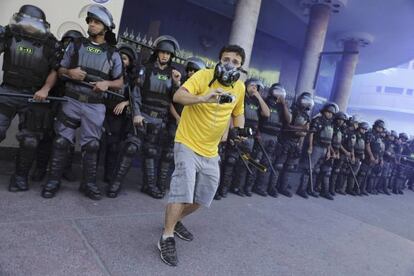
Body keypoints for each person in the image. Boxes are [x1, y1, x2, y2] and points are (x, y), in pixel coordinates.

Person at [158, 45, 246, 266]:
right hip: (187, 142)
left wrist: (239, 132)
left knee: (202, 197)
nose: (230, 64)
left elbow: (239, 113)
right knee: (182, 192)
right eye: (226, 59)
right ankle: (166, 236)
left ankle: (175, 220)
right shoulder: (203, 76)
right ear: (219, 60)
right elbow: (178, 96)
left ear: (241, 67)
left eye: (235, 62)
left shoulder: (240, 88)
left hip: (211, 150)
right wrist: (204, 98)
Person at [41, 4, 123, 199]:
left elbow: (120, 82)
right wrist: (69, 72)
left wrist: (106, 84)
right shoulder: (76, 45)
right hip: (72, 100)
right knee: (61, 142)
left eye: (96, 22)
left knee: (92, 146)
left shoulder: (113, 53)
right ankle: (53, 181)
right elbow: (60, 70)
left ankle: (88, 184)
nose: (92, 25)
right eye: (90, 22)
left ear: (105, 27)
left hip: (95, 104)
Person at [0, 5, 61, 192]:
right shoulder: (9, 34)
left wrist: (45, 88)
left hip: (33, 96)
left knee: (30, 140)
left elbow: (54, 70)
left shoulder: (50, 42)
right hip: (8, 92)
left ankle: (20, 178)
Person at [31, 29, 84, 183]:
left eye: (72, 43)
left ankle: (65, 169)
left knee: (68, 138)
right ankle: (40, 168)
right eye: (67, 41)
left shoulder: (80, 58)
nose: (69, 46)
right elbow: (50, 71)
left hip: (69, 100)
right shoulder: (55, 54)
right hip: (53, 99)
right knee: (47, 135)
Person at [103, 44, 143, 198]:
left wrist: (125, 103)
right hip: (103, 111)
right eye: (119, 57)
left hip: (119, 116)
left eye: (124, 58)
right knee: (101, 144)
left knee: (114, 146)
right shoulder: (108, 72)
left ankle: (109, 176)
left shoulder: (132, 79)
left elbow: (136, 97)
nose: (121, 60)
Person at [218, 78, 269, 198]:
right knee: (230, 161)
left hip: (250, 138)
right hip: (239, 133)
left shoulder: (257, 102)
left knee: (244, 163)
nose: (254, 88)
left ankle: (237, 187)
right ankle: (222, 189)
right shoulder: (241, 98)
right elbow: (232, 115)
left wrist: (259, 96)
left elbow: (266, 113)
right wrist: (233, 133)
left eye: (257, 87)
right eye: (252, 86)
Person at [253, 83, 291, 197]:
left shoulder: (281, 106)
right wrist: (257, 133)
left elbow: (288, 120)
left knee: (267, 163)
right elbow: (258, 118)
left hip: (274, 137)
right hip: (263, 134)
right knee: (257, 161)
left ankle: (261, 187)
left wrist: (284, 105)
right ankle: (249, 186)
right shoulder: (265, 101)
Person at [277, 92, 314, 197]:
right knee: (278, 165)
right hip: (286, 140)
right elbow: (288, 125)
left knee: (289, 166)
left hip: (296, 143)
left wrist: (300, 141)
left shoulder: (306, 115)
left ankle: (282, 187)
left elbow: (304, 133)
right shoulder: (293, 109)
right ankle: (272, 186)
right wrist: (301, 129)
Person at [297, 102, 336, 199]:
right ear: (324, 111)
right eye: (328, 112)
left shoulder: (330, 124)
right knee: (308, 169)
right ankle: (302, 189)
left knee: (316, 170)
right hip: (316, 147)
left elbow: (329, 139)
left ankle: (310, 189)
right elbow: (311, 134)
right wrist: (310, 146)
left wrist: (328, 151)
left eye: (331, 113)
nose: (329, 114)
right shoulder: (317, 120)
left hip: (324, 148)